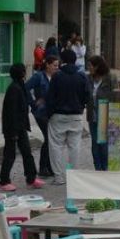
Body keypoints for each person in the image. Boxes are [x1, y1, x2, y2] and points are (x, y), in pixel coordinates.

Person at [45, 49, 89, 185]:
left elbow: (50, 97)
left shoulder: (57, 77)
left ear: (62, 60)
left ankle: (58, 177)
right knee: (74, 146)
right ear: (75, 60)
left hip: (58, 115)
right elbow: (86, 96)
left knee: (55, 146)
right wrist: (81, 106)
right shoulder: (82, 76)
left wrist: (49, 113)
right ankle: (73, 176)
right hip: (76, 115)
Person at [0, 64, 43, 191]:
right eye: (24, 71)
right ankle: (4, 181)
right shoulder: (14, 89)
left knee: (27, 153)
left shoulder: (21, 86)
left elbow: (29, 102)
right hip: (12, 128)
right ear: (21, 73)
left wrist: (36, 103)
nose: (25, 73)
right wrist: (13, 132)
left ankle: (31, 178)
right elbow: (11, 112)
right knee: (10, 154)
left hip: (21, 126)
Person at [25, 55, 58, 177]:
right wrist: (33, 103)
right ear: (47, 65)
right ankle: (43, 167)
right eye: (54, 65)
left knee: (51, 139)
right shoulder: (38, 76)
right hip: (40, 112)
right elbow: (26, 87)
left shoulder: (56, 77)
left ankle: (49, 166)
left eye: (57, 65)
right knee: (48, 138)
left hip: (51, 112)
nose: (56, 67)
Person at [87, 55, 114, 171]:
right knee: (94, 143)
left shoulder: (110, 78)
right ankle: (97, 168)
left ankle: (105, 168)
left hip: (104, 112)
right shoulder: (88, 79)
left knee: (103, 143)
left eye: (90, 66)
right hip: (91, 114)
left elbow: (115, 95)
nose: (88, 68)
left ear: (97, 66)